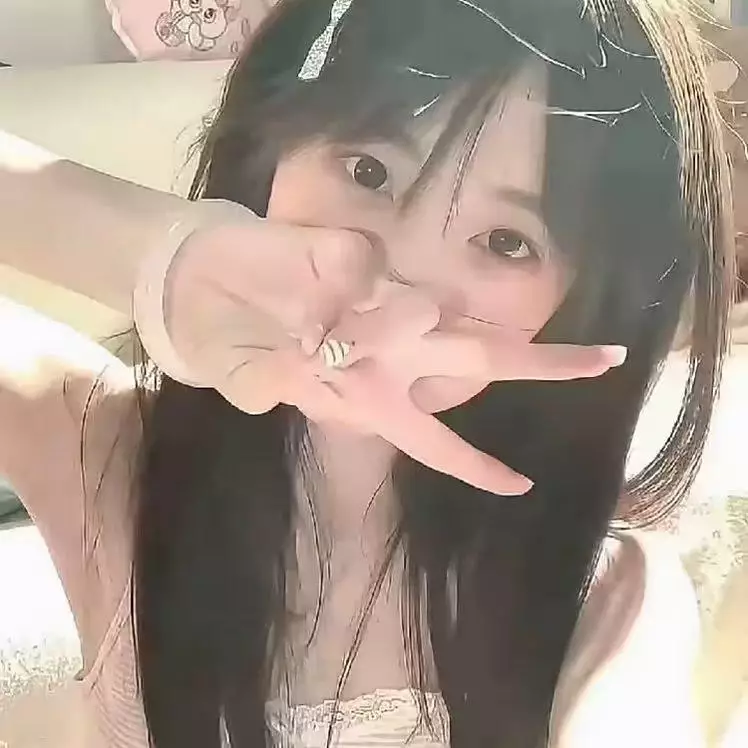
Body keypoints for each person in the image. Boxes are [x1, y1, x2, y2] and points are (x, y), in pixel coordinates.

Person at [0, 0, 736, 747]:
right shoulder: (102, 453)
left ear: (581, 304)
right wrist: (161, 258)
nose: (398, 280)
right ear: (272, 144)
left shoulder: (605, 595)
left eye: (507, 242)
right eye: (369, 171)